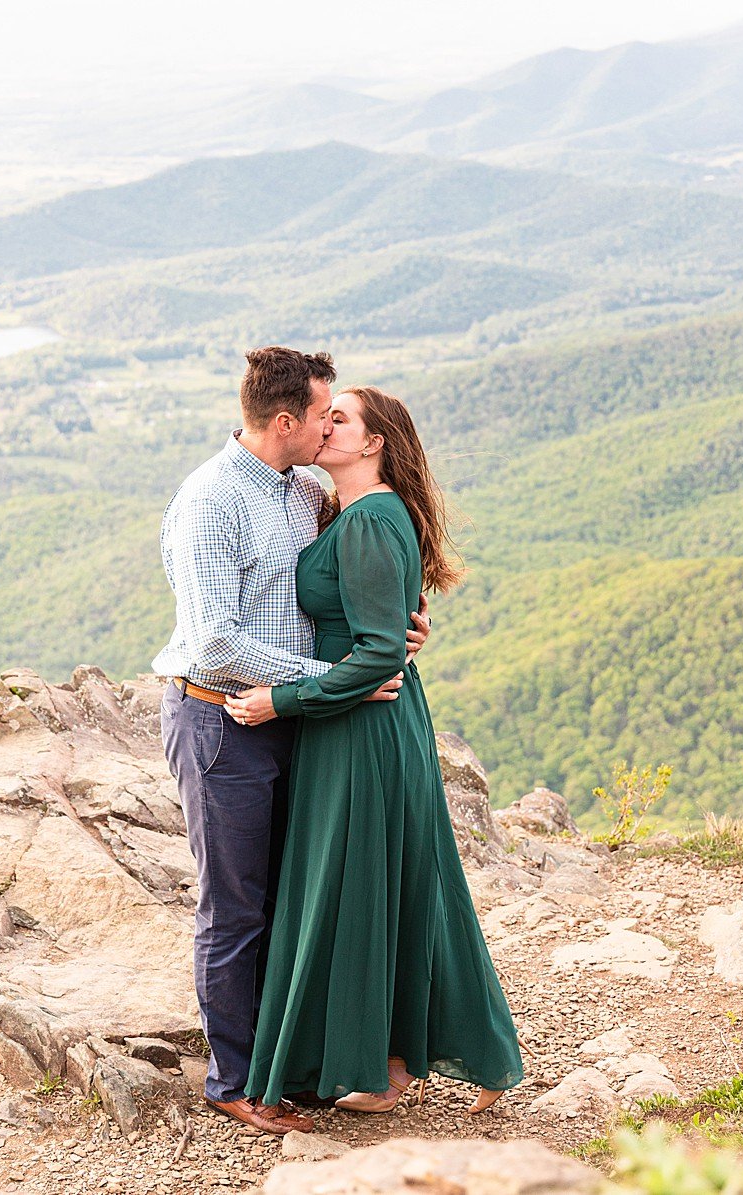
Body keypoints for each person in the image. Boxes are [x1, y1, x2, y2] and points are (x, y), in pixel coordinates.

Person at [153, 347, 430, 1137]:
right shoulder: (212, 498)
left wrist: (402, 632)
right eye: (321, 414)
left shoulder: (306, 490)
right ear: (286, 422)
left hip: (295, 719)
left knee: (293, 896)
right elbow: (212, 643)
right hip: (223, 720)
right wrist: (331, 673)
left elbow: (361, 581)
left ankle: (290, 1060)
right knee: (235, 907)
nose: (329, 423)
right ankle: (235, 1080)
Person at [229, 385, 523, 1115]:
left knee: (365, 888)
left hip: (361, 726)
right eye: (325, 415)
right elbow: (390, 632)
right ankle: (392, 1062)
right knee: (387, 886)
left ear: (373, 442)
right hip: (358, 724)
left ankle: (427, 1056)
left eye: (341, 419)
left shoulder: (367, 521)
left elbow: (379, 656)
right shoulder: (356, 512)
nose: (325, 427)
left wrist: (279, 700)